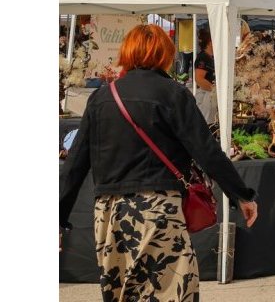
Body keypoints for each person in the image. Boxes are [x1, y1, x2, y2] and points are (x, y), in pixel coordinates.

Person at [60, 25, 258, 301]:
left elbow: (75, 164)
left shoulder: (101, 98)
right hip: (158, 208)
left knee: (122, 292)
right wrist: (241, 194)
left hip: (109, 213)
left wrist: (57, 219)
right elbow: (206, 150)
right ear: (164, 54)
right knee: (170, 291)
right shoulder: (173, 94)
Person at [192, 28, 217, 124]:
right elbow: (199, 79)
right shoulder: (203, 57)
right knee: (206, 123)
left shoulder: (209, 57)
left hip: (209, 96)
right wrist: (214, 90)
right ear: (210, 42)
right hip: (205, 96)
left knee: (210, 123)